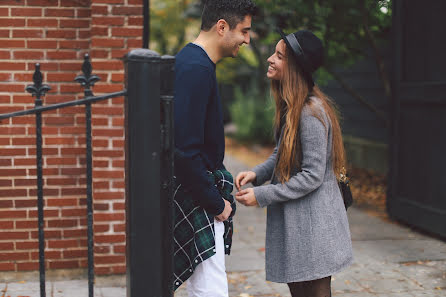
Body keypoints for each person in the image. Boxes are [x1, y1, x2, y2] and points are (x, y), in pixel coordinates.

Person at [235, 29, 353, 297]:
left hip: (314, 227)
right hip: (300, 224)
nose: (269, 59)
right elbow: (281, 154)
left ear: (296, 67)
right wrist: (256, 174)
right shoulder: (293, 107)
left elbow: (312, 175)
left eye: (279, 56)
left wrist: (262, 195)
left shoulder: (311, 112)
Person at [173, 0, 257, 296]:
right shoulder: (196, 68)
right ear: (222, 27)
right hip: (197, 199)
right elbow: (185, 149)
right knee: (211, 290)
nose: (247, 39)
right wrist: (216, 204)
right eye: (244, 31)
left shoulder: (196, 63)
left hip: (199, 196)